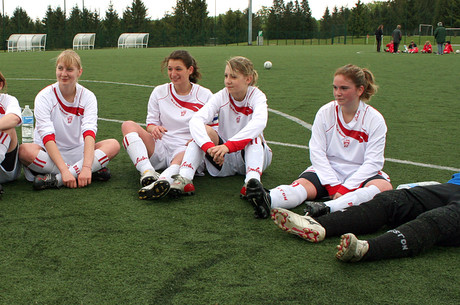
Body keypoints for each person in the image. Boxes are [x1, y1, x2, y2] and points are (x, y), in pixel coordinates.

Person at [247, 64, 392, 219]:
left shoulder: (374, 119)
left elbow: (373, 162)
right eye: (335, 87)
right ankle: (269, 199)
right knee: (303, 185)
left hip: (360, 172)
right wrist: (333, 185)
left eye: (344, 88)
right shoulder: (325, 112)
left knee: (384, 187)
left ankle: (326, 208)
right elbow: (317, 153)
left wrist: (346, 188)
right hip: (328, 169)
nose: (338, 93)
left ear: (360, 90)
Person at [271, 172, 460, 263]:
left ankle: (366, 249)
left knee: (441, 218)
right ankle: (318, 225)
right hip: (455, 185)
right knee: (392, 200)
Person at [167, 56, 272, 218]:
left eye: (233, 77)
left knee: (255, 136)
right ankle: (185, 179)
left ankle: (252, 184)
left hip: (253, 156)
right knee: (200, 133)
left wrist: (228, 146)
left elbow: (259, 122)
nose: (228, 81)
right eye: (226, 76)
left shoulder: (257, 96)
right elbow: (196, 120)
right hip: (223, 158)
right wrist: (209, 147)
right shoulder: (221, 96)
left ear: (248, 79)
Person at [19, 50, 120, 190]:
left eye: (69, 69)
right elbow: (47, 135)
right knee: (24, 150)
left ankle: (56, 179)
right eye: (60, 68)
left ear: (80, 72)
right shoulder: (44, 96)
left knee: (113, 145)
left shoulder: (88, 96)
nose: (63, 74)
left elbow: (89, 132)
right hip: (48, 153)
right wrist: (66, 171)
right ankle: (88, 172)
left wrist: (85, 166)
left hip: (77, 151)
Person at [121, 50, 215, 200]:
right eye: (170, 69)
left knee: (186, 153)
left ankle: (162, 181)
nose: (173, 73)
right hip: (161, 145)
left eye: (178, 69)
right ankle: (147, 172)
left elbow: (213, 130)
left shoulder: (205, 95)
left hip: (185, 148)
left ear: (190, 70)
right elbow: (150, 124)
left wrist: (198, 140)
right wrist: (154, 128)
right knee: (127, 125)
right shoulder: (159, 92)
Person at [0, 71, 22, 195]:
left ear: (0, 85)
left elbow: (14, 118)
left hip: (6, 166)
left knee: (8, 126)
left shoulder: (8, 100)